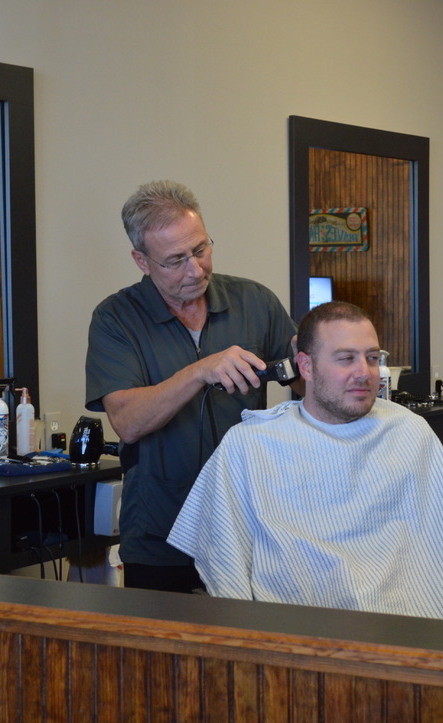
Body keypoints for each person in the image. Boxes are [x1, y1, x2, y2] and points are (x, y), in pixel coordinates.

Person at [168, 301, 443, 628]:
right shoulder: (251, 445)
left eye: (372, 358)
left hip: (409, 615)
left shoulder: (406, 429)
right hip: (301, 626)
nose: (364, 372)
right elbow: (224, 561)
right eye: (346, 359)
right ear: (306, 366)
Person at [85, 180, 300, 593]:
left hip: (250, 525)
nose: (196, 270)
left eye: (201, 250)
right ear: (142, 260)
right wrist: (199, 371)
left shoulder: (254, 301)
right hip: (160, 532)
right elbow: (127, 421)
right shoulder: (116, 319)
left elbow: (304, 379)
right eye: (175, 260)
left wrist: (327, 361)